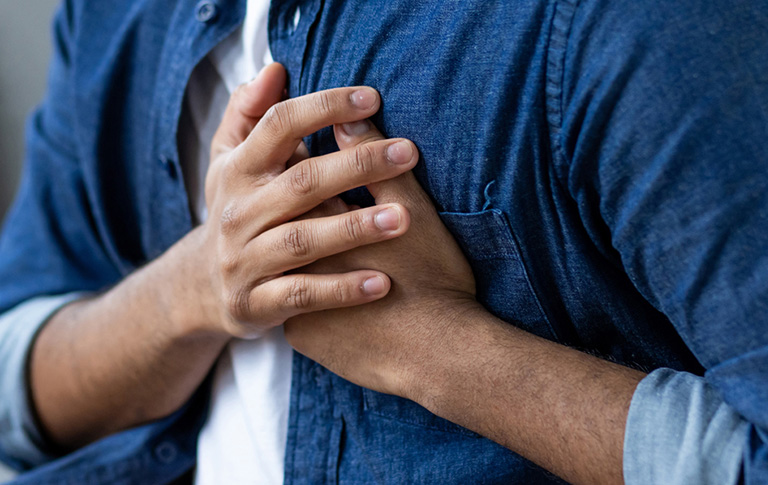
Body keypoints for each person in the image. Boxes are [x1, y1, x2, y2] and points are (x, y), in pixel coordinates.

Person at [0, 0, 766, 484]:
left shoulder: (637, 24)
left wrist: (441, 354)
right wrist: (193, 289)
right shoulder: (109, 16)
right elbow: (13, 388)